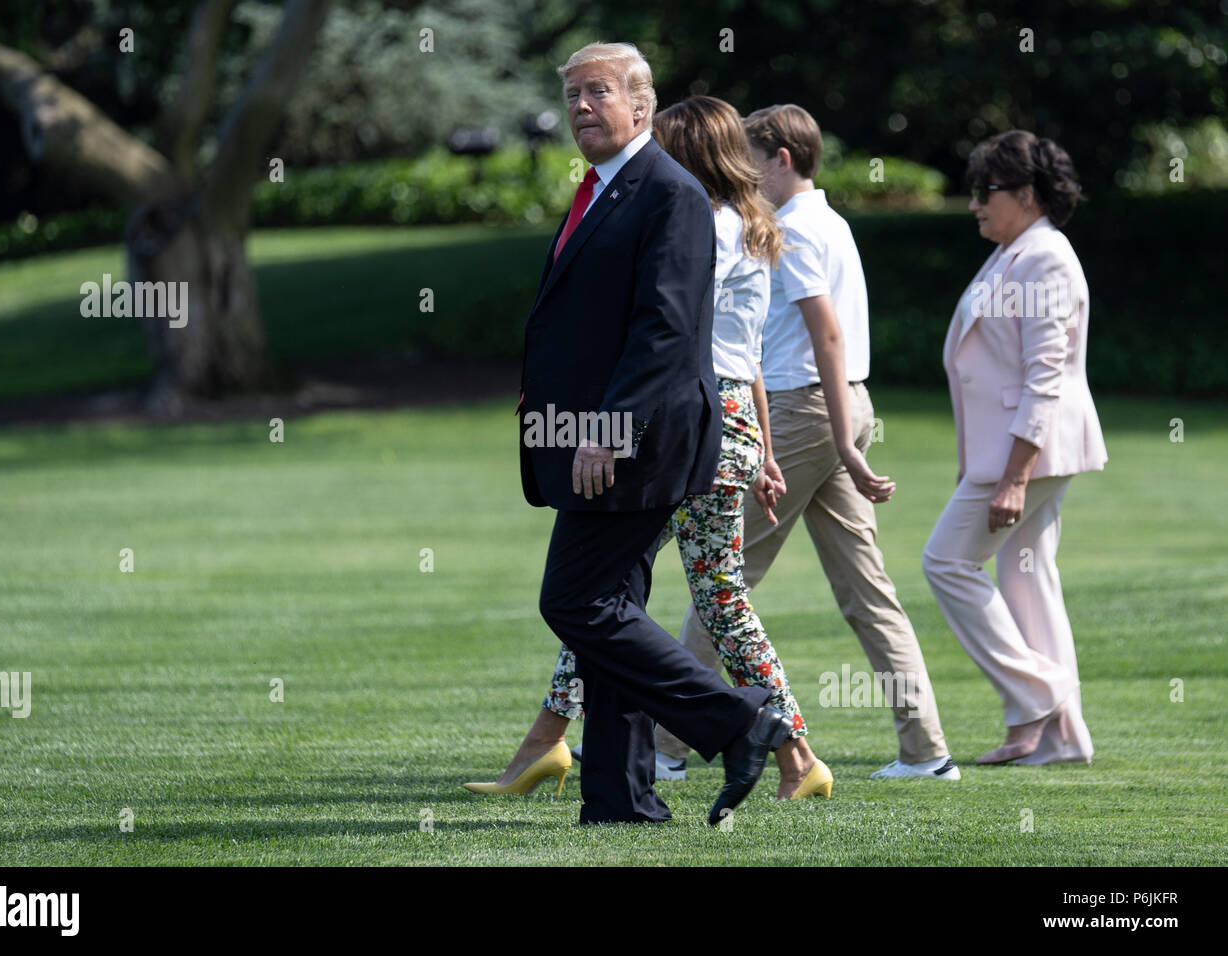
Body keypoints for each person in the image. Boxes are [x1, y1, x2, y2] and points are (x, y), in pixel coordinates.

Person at [466, 94, 834, 803]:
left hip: (683, 421)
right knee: (660, 595)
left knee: (607, 595)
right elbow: (746, 357)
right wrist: (759, 445)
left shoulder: (703, 226)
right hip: (728, 418)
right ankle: (784, 755)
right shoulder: (752, 227)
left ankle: (757, 739)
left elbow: (672, 338)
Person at [653, 103, 960, 782]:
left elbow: (825, 334)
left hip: (803, 410)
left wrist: (841, 441)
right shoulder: (834, 222)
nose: (745, 173)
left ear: (781, 160)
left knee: (721, 584)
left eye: (752, 159)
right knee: (867, 591)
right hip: (842, 406)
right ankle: (926, 750)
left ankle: (665, 747)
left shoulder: (789, 229)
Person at [922, 130, 1105, 765]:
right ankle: (1059, 736)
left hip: (1028, 453)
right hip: (1014, 453)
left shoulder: (1045, 256)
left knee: (946, 562)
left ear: (1025, 194)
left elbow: (1044, 374)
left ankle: (1040, 695)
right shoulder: (1016, 250)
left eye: (985, 191)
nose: (974, 204)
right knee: (1029, 580)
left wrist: (1012, 477)